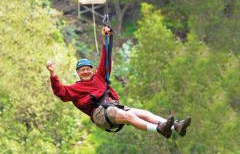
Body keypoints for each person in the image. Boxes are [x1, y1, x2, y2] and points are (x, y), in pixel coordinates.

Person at [46, 27, 191, 138]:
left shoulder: (100, 77)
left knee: (143, 113)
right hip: (100, 114)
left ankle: (175, 126)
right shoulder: (76, 88)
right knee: (128, 116)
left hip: (112, 107)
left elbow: (106, 58)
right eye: (81, 70)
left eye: (87, 69)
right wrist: (53, 73)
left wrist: (107, 38)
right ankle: (159, 129)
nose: (85, 72)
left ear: (93, 70)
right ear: (78, 73)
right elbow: (60, 92)